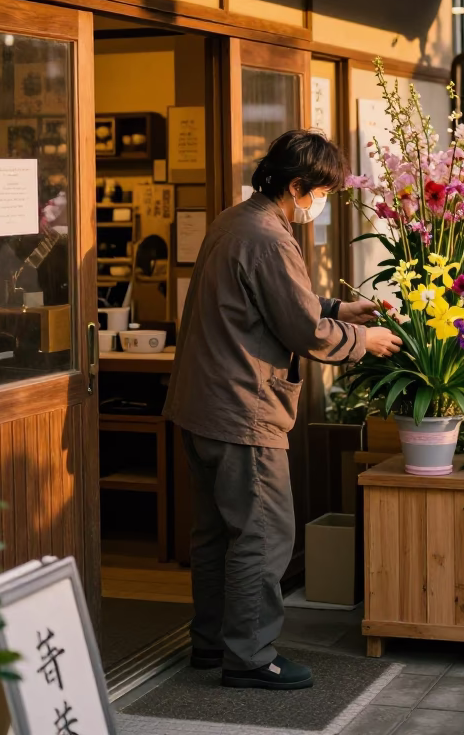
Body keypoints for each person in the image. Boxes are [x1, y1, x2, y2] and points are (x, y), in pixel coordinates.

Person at [164, 130, 402, 690]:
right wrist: (361, 339)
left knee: (217, 534)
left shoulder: (235, 220)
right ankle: (249, 657)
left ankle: (212, 643)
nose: (318, 205)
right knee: (264, 534)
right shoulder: (270, 237)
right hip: (242, 408)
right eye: (319, 192)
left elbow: (272, 301)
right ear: (297, 185)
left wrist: (342, 307)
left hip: (201, 404)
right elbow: (300, 327)